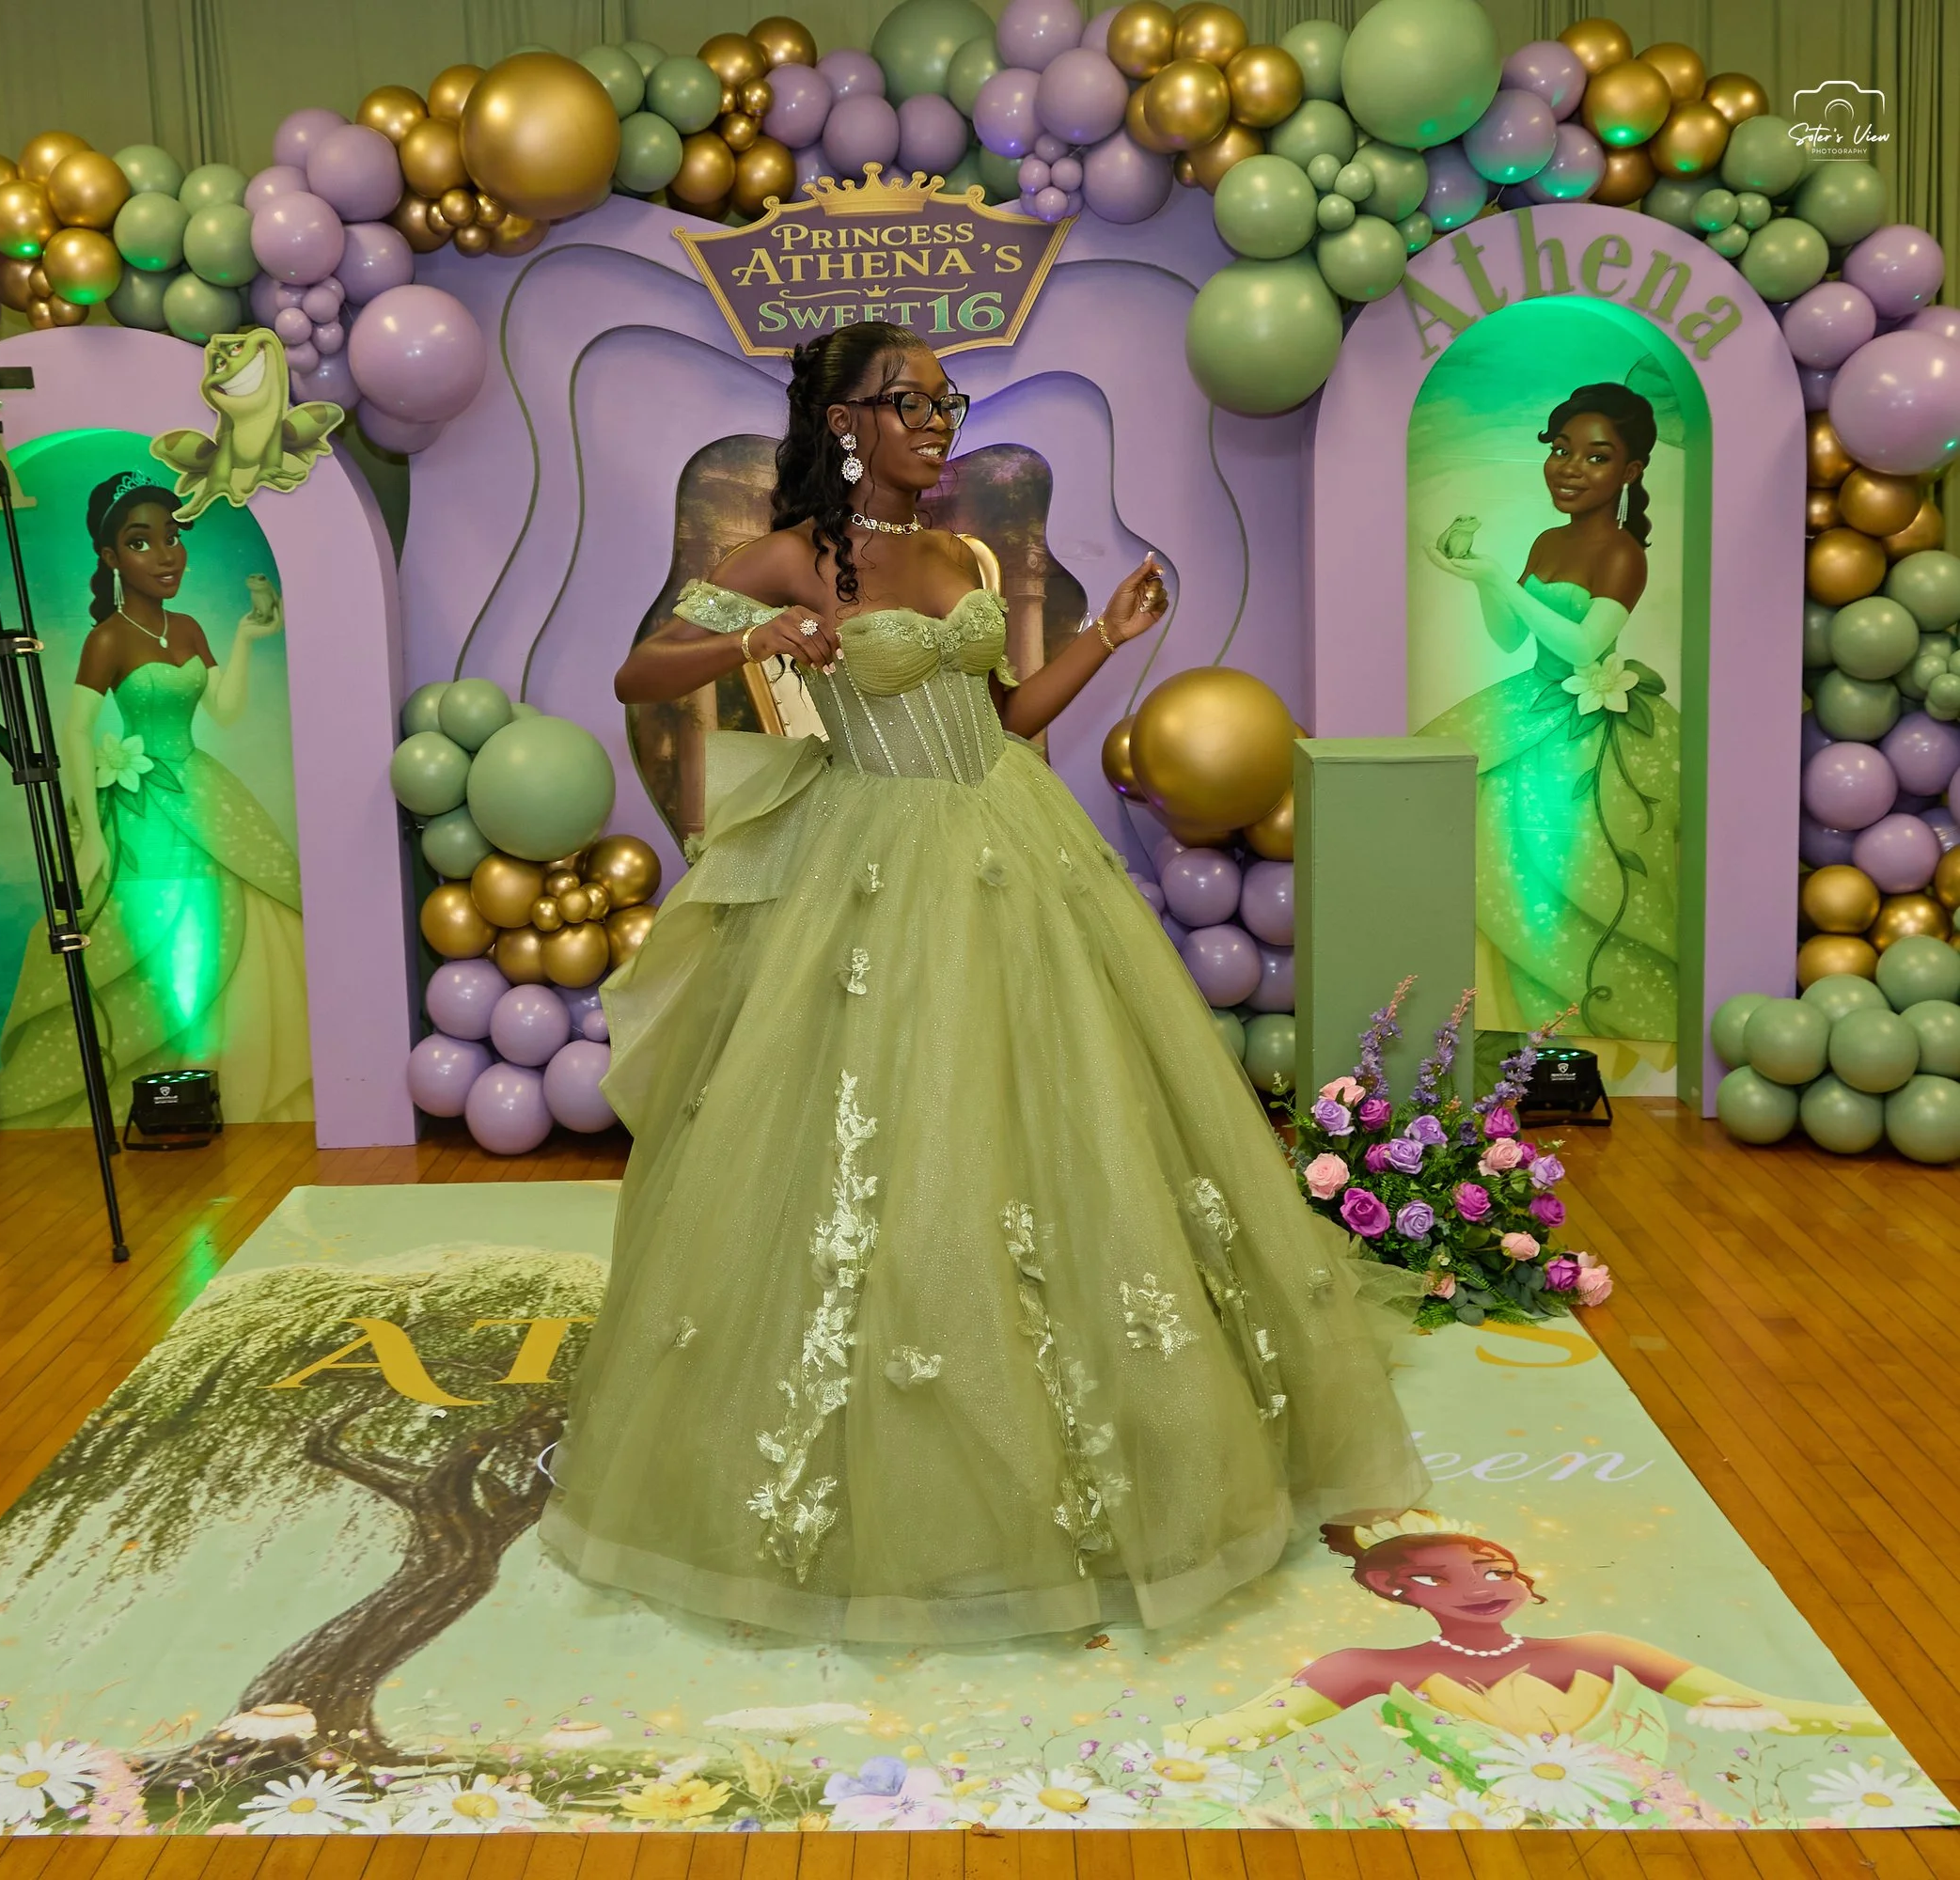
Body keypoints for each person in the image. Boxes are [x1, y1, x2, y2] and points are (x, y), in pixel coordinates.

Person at [538, 322, 1429, 1645]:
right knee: (881, 1133)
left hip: (1009, 836)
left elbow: (1005, 718)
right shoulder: (793, 554)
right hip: (867, 857)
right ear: (846, 422)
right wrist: (757, 639)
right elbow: (640, 670)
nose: (935, 422)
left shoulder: (964, 555)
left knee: (1060, 1119)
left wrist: (1108, 637)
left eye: (945, 401)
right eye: (909, 402)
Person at [0, 473, 310, 1127]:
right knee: (146, 936)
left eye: (172, 537)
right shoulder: (107, 637)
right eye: (141, 542)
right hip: (139, 803)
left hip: (201, 788)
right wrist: (91, 834)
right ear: (110, 557)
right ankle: (154, 1086)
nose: (166, 556)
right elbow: (75, 731)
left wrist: (247, 637)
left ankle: (234, 1081)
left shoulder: (188, 627)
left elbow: (224, 710)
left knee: (240, 918)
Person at [1418, 384, 1678, 1045]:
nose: (1570, 468)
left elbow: (1586, 645)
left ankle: (1567, 1032)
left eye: (1596, 457)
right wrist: (1481, 577)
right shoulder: (1546, 540)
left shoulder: (1623, 552)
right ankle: (1492, 1029)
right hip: (1530, 701)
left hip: (1588, 719)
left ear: (1631, 470)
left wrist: (1498, 579)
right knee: (1483, 851)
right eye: (1561, 450)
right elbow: (1510, 637)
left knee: (1565, 870)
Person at [1175, 1514, 1886, 1745]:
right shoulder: (1365, 1666)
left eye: (1495, 1571)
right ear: (1392, 1589)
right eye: (1438, 1579)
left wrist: (1882, 1723)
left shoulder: (1600, 1651)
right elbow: (1234, 1732)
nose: (1481, 1590)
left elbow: (1763, 1709)